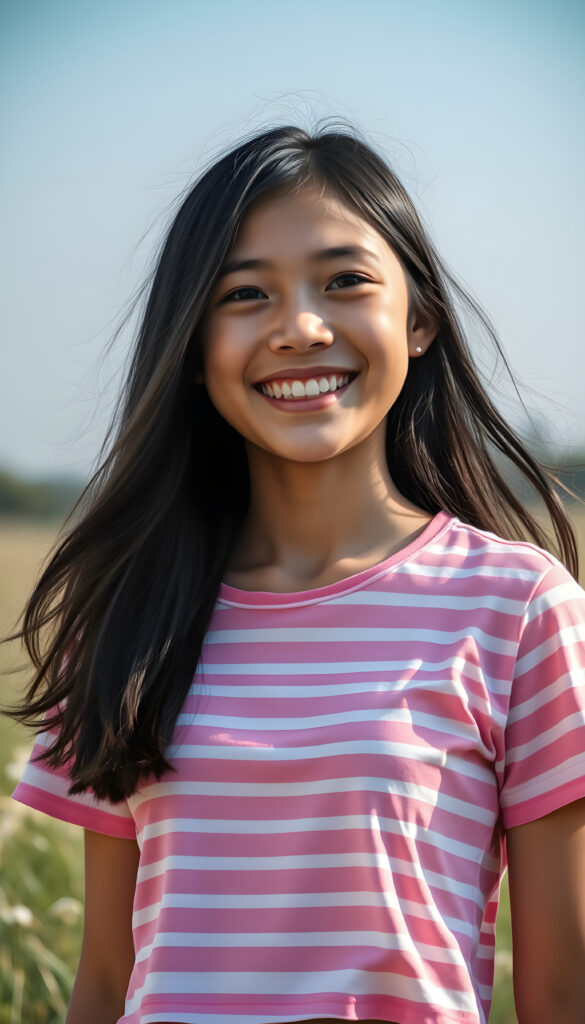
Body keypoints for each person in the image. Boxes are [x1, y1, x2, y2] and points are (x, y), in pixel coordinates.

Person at [5, 121, 585, 1024]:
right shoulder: (125, 608)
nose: (299, 328)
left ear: (420, 318)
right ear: (193, 349)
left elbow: (560, 992)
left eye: (345, 280)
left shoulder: (517, 608)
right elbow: (108, 981)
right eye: (244, 295)